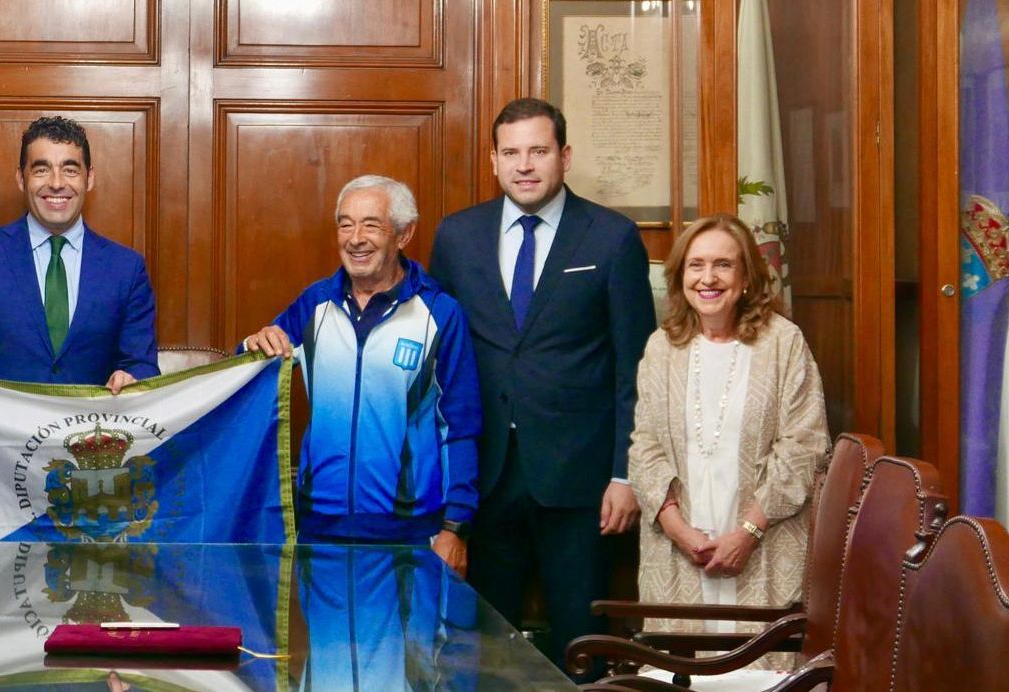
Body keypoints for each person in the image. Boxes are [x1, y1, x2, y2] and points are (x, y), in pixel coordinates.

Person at [429, 97, 655, 677]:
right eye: (511, 152)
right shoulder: (457, 237)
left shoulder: (611, 238)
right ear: (494, 161)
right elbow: (439, 360)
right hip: (485, 478)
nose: (524, 164)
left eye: (538, 150)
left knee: (581, 649)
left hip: (581, 485)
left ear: (565, 156)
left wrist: (624, 475)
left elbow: (638, 368)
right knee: (485, 653)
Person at [243, 175, 479, 573]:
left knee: (408, 640)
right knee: (324, 638)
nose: (355, 238)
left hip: (410, 536)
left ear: (404, 234)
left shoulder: (440, 314)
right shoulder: (316, 303)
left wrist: (455, 528)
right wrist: (253, 343)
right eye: (345, 223)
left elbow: (460, 427)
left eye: (371, 224)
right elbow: (249, 377)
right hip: (320, 528)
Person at [628, 213, 829, 652]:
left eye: (723, 264)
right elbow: (645, 448)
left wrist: (746, 535)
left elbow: (805, 446)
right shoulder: (662, 348)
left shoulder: (783, 342)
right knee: (682, 675)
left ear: (746, 278)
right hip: (681, 552)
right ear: (681, 276)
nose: (708, 278)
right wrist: (678, 529)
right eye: (696, 265)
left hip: (763, 547)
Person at [0, 116, 158, 391]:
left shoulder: (127, 268)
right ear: (21, 178)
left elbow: (142, 365)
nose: (56, 183)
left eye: (70, 170)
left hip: (90, 432)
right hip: (4, 430)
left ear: (89, 179)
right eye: (41, 169)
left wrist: (132, 378)